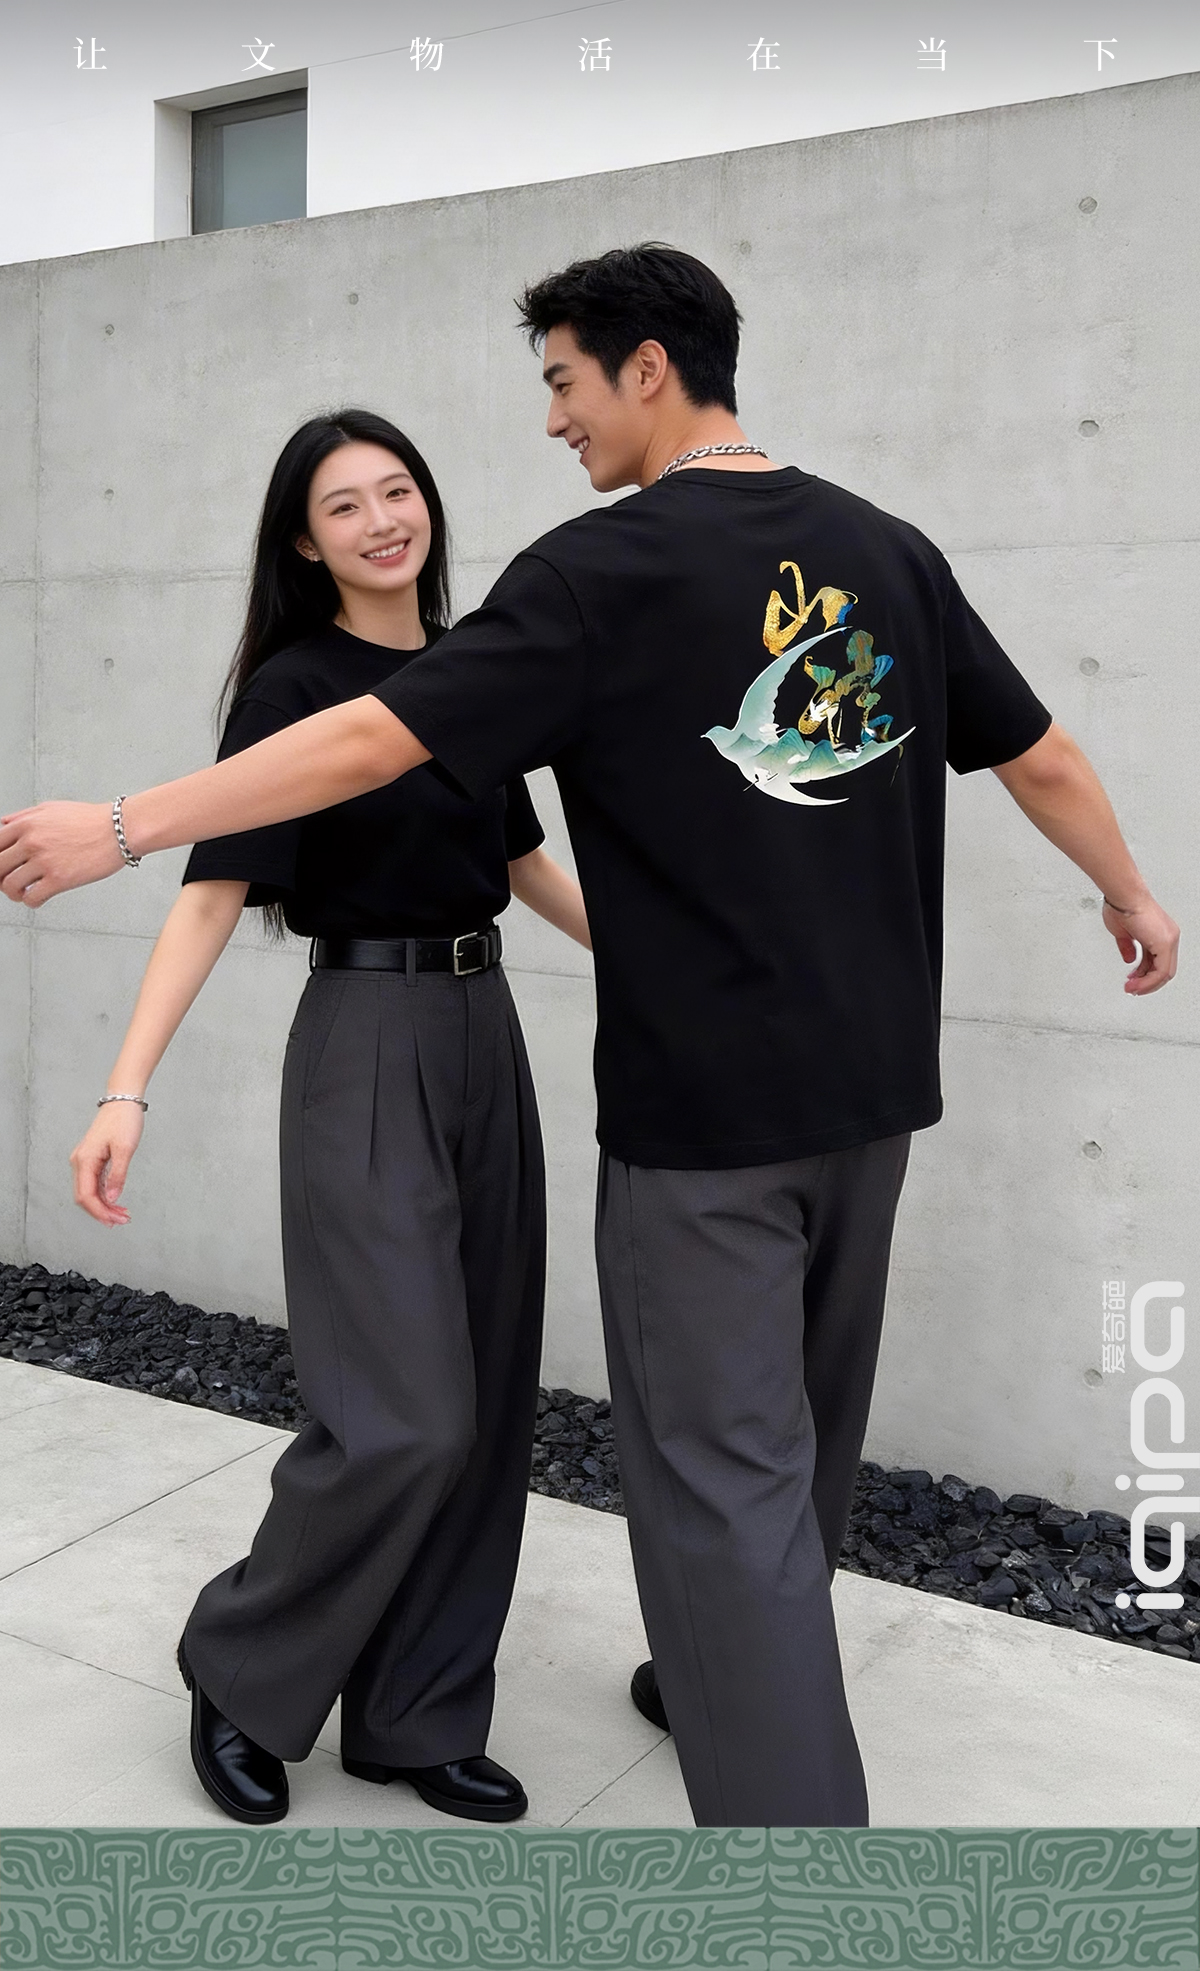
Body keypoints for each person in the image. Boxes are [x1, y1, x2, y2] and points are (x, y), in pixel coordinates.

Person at [0, 246, 1179, 1828]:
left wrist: (118, 823)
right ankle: (644, 1675)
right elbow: (1041, 759)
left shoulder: (590, 577)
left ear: (645, 369)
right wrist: (1131, 895)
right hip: (864, 1097)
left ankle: (762, 1857)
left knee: (718, 1480)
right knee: (779, 1440)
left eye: (562, 381)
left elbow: (384, 750)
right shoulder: (886, 549)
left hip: (699, 1120)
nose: (553, 419)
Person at [61, 408, 590, 1827]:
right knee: (401, 1417)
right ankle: (240, 1667)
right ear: (305, 542)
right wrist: (125, 1086)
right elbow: (213, 889)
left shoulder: (471, 668)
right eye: (343, 505)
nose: (380, 520)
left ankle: (418, 1715)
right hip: (365, 1034)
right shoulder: (293, 690)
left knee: (487, 1406)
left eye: (397, 490)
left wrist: (665, 961)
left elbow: (522, 860)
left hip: (486, 1034)